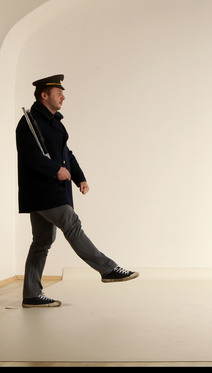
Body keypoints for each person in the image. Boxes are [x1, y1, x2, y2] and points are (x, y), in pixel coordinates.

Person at [15, 74, 139, 308]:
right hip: (42, 190)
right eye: (58, 93)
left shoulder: (54, 122)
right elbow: (30, 157)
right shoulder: (28, 123)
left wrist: (79, 178)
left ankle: (31, 295)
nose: (63, 97)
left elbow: (66, 154)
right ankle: (108, 269)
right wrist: (55, 170)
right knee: (71, 224)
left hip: (53, 188)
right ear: (44, 95)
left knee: (42, 240)